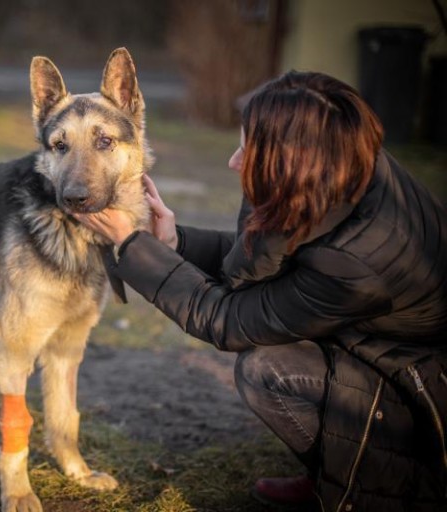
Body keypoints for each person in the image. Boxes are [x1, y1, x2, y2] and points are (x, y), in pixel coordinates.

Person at [75, 70, 447, 511]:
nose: (234, 161)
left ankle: (379, 478)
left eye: (249, 150)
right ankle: (334, 467)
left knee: (266, 369)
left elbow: (230, 321)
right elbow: (272, 265)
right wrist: (176, 244)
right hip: (370, 341)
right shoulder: (337, 172)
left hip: (420, 380)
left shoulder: (360, 261)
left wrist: (131, 245)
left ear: (293, 162)